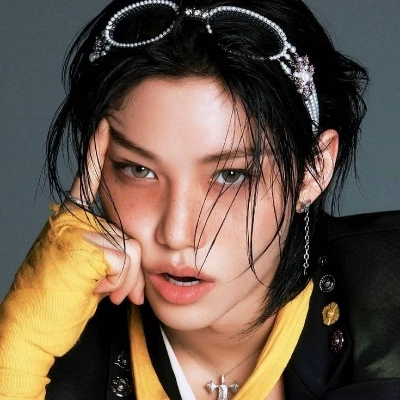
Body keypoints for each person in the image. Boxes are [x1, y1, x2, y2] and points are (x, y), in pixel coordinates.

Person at [0, 0, 399, 399]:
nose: (176, 234)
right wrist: (19, 354)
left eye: (230, 176)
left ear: (312, 170)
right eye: (138, 170)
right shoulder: (55, 346)